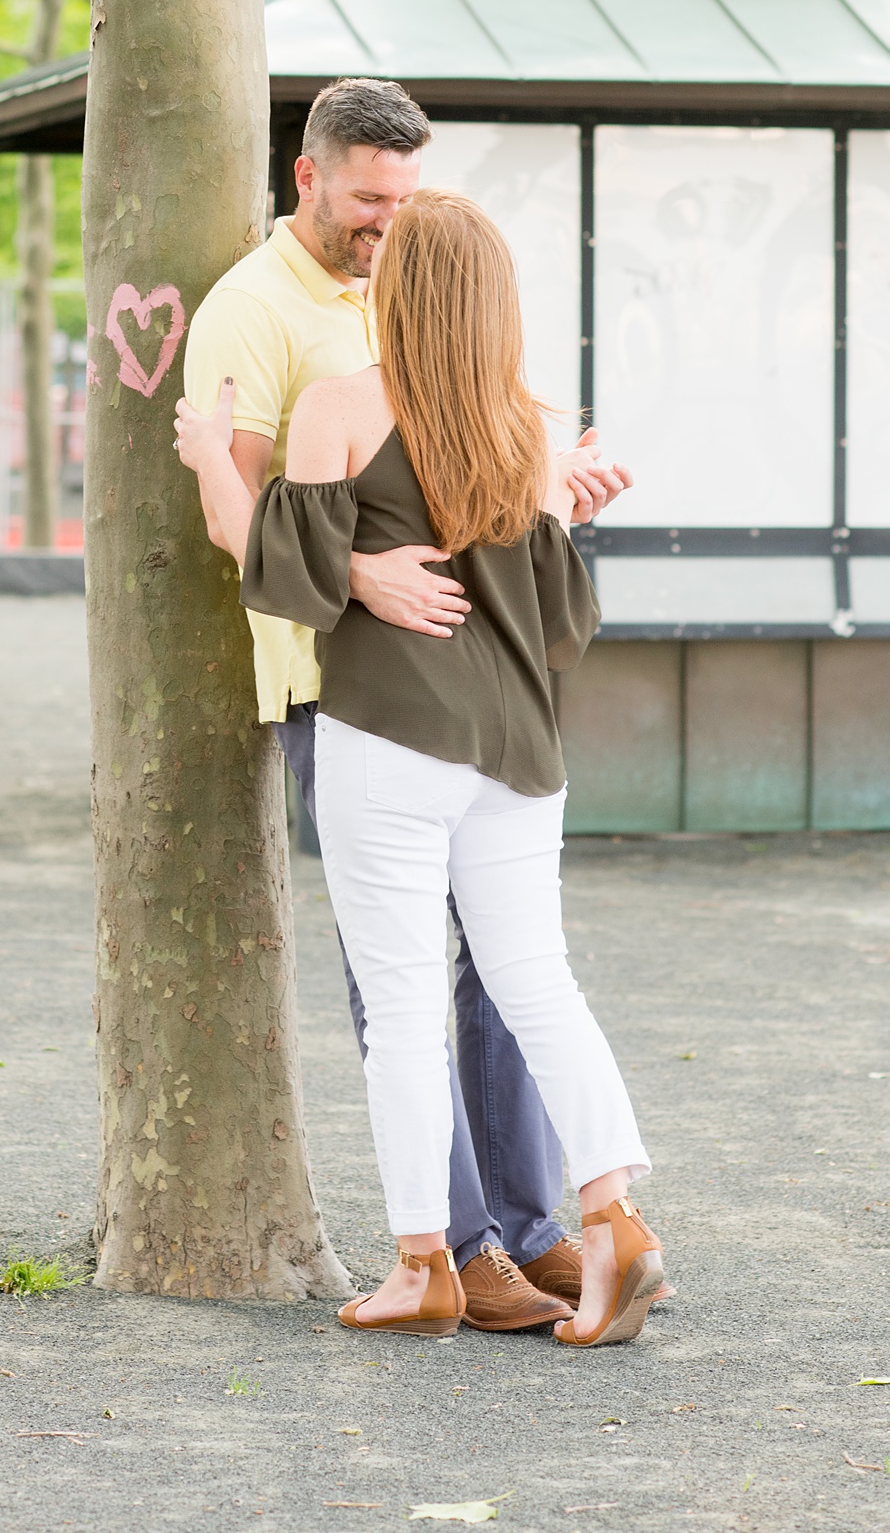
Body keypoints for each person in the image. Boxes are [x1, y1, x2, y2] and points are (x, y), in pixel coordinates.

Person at [181, 77, 632, 1332]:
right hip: (486, 723)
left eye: (404, 208)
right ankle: (589, 1220)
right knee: (523, 975)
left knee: (408, 996)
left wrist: (211, 460)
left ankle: (452, 1252)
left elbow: (261, 530)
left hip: (390, 715)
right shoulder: (504, 408)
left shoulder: (353, 399)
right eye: (370, 198)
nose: (384, 224)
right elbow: (556, 609)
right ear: (308, 178)